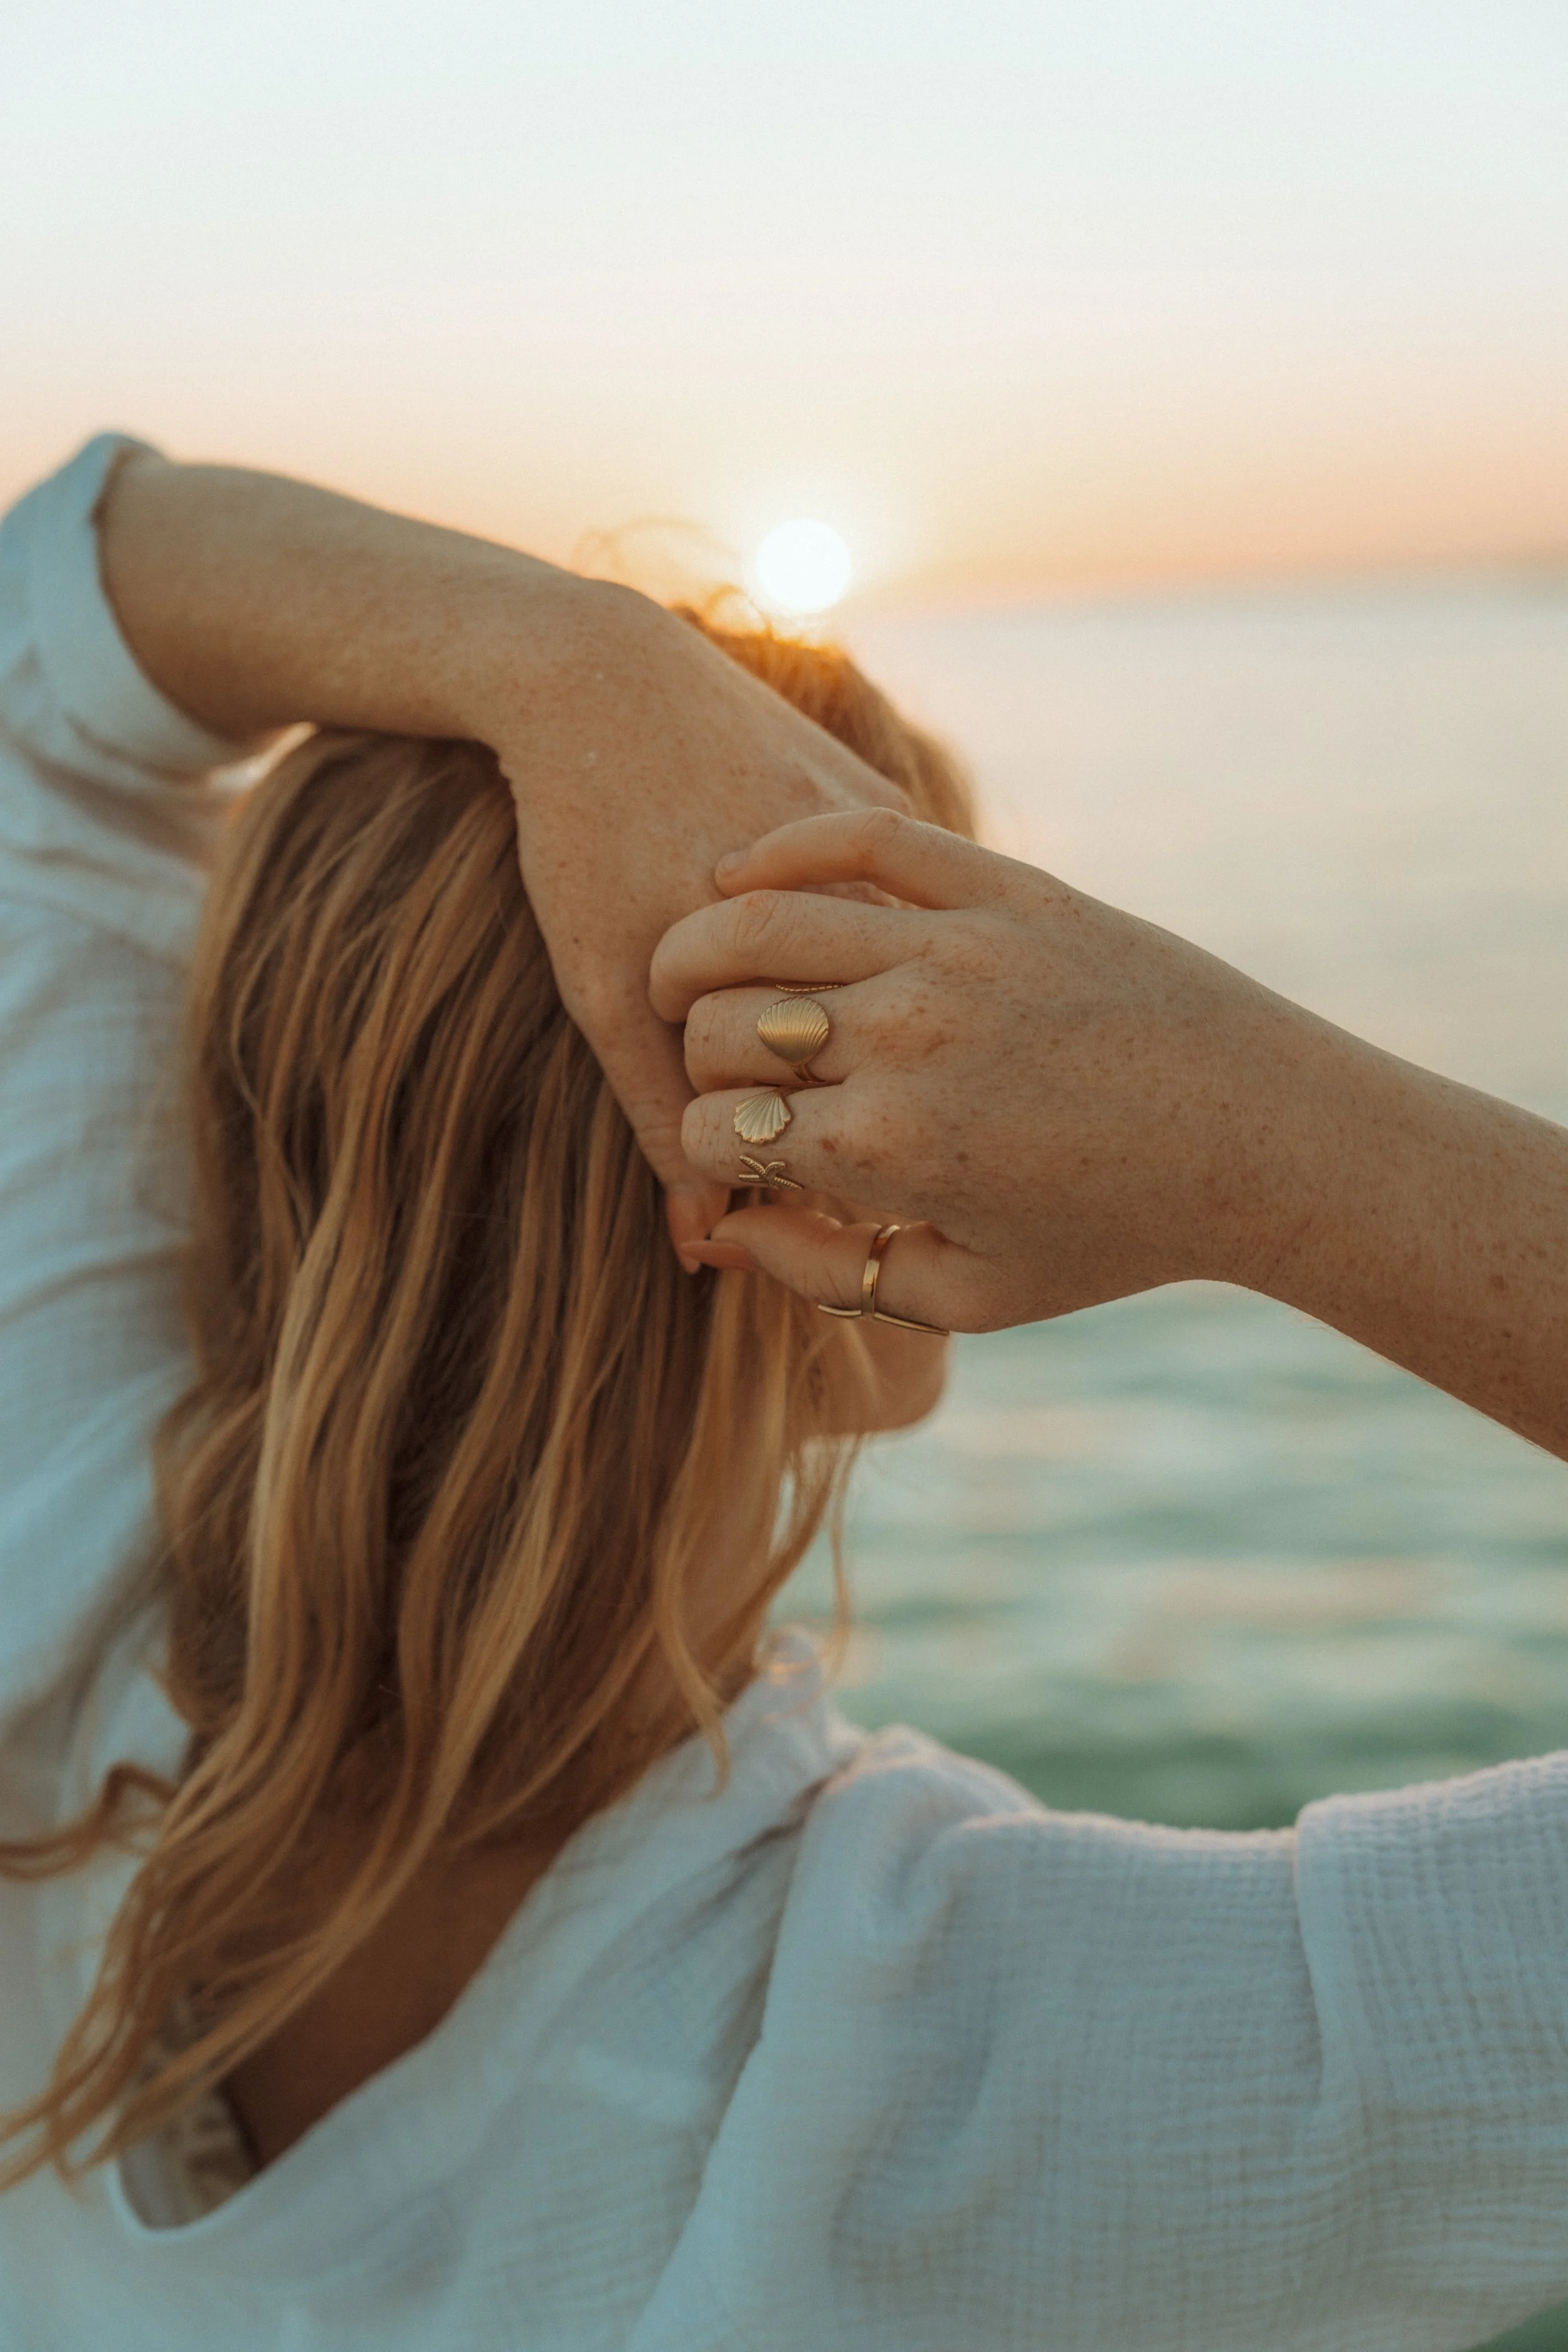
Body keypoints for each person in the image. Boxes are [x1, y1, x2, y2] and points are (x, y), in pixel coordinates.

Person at [3, 435, 1568, 2352]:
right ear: (800, 1187)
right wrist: (1239, 1119)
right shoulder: (957, 2079)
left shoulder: (45, 1556)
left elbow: (55, 627)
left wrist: (566, 671)